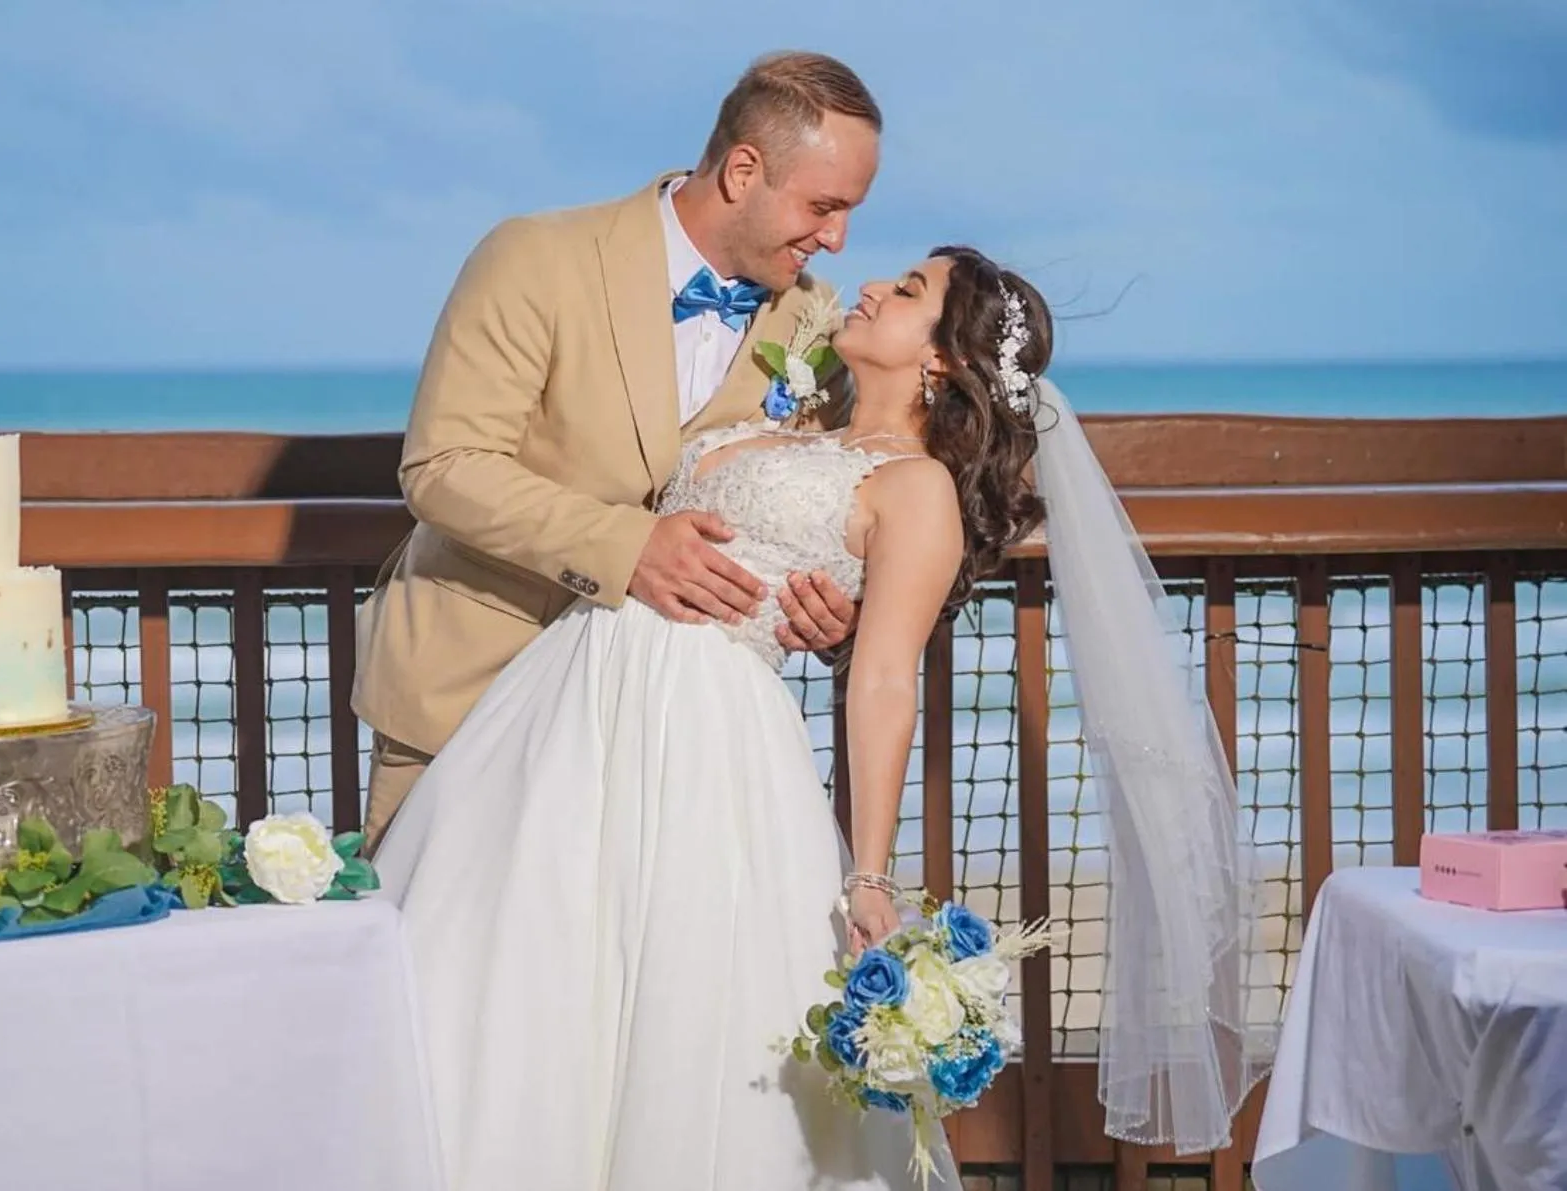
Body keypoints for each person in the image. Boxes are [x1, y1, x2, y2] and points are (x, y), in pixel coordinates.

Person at [373, 244, 1269, 1187]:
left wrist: (871, 875)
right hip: (569, 704)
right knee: (521, 975)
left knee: (678, 1009)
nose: (875, 284)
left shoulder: (917, 490)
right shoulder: (795, 412)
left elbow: (883, 679)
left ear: (944, 361)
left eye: (910, 291)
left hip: (708, 733)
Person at [351, 51, 884, 854]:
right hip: (470, 696)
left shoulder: (812, 321)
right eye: (823, 205)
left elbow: (815, 498)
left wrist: (824, 606)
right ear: (744, 170)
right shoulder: (535, 257)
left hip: (667, 738)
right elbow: (445, 465)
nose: (838, 239)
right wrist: (626, 547)